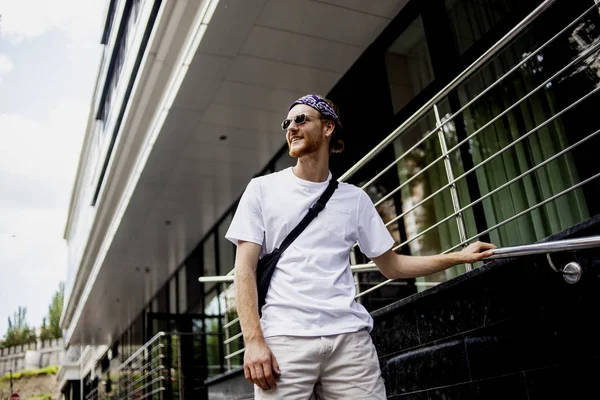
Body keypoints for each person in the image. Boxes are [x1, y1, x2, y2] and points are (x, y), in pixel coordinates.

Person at [225, 94, 496, 399]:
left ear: (328, 128)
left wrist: (459, 257)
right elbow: (244, 270)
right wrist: (253, 342)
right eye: (287, 123)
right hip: (285, 342)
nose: (291, 127)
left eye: (301, 119)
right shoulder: (262, 189)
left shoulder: (354, 199)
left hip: (349, 343)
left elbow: (392, 266)